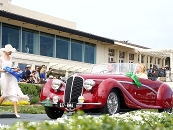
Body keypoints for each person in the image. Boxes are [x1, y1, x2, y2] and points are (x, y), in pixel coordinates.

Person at [0, 44, 29, 118]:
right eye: (10, 51)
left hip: (11, 77)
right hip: (5, 77)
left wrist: (16, 70)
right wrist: (4, 71)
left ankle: (16, 112)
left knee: (14, 93)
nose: (11, 52)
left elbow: (11, 68)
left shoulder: (11, 58)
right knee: (4, 94)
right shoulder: (1, 59)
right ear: (6, 51)